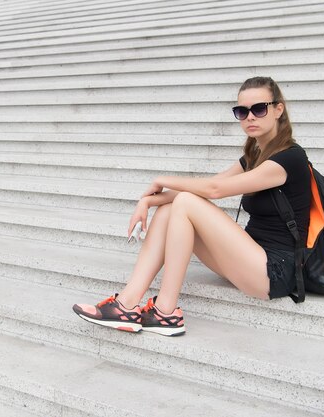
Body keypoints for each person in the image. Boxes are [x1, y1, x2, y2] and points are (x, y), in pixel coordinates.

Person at [72, 76, 311, 336]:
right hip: (248, 259)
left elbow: (214, 191)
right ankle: (127, 304)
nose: (250, 117)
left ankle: (165, 312)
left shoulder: (291, 159)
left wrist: (161, 180)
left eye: (259, 109)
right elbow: (212, 182)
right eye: (242, 112)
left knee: (184, 201)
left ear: (278, 109)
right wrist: (149, 200)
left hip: (274, 271)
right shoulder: (254, 155)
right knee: (169, 209)